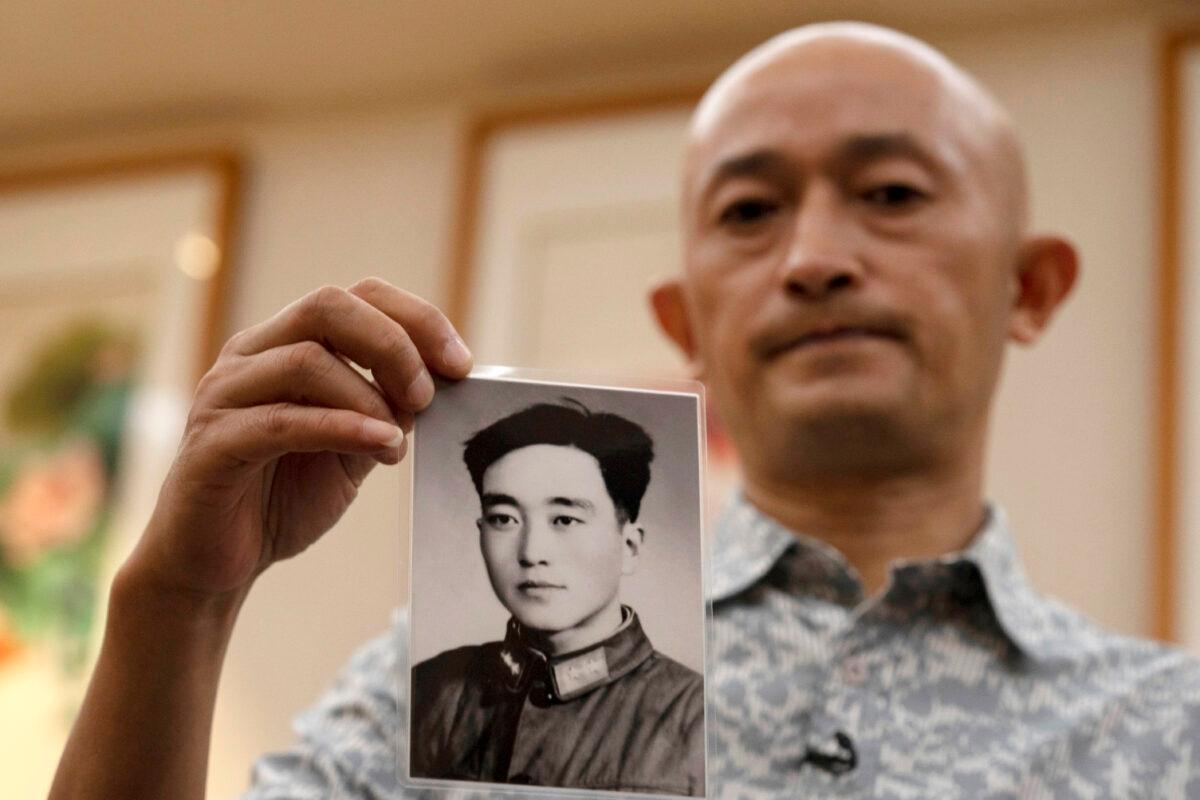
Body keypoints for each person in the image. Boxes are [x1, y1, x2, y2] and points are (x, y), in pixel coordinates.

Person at [49, 20, 1200, 800]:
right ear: (684, 319)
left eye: (892, 193)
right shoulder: (448, 693)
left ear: (1030, 286)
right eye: (749, 211)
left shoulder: (1166, 731)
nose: (812, 256)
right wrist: (178, 601)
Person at [409, 401, 704, 794]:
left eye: (565, 520)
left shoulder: (698, 716)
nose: (532, 552)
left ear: (629, 546)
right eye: (503, 519)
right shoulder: (427, 690)